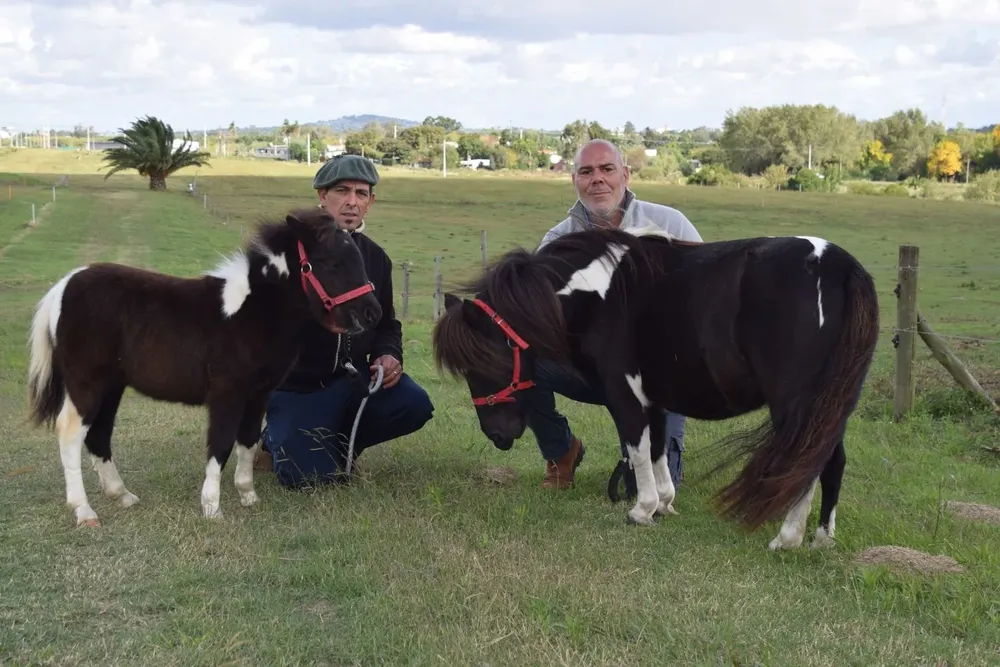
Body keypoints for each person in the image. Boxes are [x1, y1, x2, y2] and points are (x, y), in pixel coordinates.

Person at [522, 138, 703, 491]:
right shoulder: (556, 242)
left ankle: (651, 451)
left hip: (660, 375)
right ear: (574, 179)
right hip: (590, 369)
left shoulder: (671, 225)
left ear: (625, 174)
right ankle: (561, 452)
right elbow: (539, 319)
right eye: (586, 171)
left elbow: (704, 298)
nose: (597, 179)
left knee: (644, 487)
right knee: (519, 361)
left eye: (607, 169)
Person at [254, 154, 434, 488]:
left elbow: (386, 323)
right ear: (322, 196)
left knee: (414, 404)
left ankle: (338, 445)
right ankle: (274, 441)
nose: (352, 201)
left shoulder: (376, 258)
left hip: (353, 380)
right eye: (342, 190)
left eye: (361, 193)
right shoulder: (288, 254)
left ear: (370, 202)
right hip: (298, 388)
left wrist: (389, 354)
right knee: (306, 479)